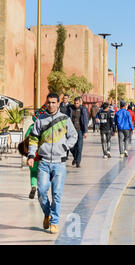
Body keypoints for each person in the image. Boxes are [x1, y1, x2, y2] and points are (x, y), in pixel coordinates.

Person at [26, 93, 78, 234]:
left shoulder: (65, 119)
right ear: (46, 103)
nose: (51, 105)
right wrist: (31, 155)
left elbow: (74, 135)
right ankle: (47, 213)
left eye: (54, 102)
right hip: (43, 162)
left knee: (56, 194)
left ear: (58, 103)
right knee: (42, 192)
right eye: (48, 102)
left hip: (59, 163)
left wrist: (65, 147)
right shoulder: (40, 120)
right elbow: (34, 139)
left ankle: (54, 222)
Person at [68, 97, 89, 168]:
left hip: (80, 130)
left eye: (77, 103)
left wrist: (85, 131)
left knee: (79, 147)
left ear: (80, 103)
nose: (76, 104)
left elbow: (85, 121)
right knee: (71, 146)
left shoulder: (83, 109)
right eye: (75, 103)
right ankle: (75, 157)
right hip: (71, 130)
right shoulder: (70, 108)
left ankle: (78, 162)